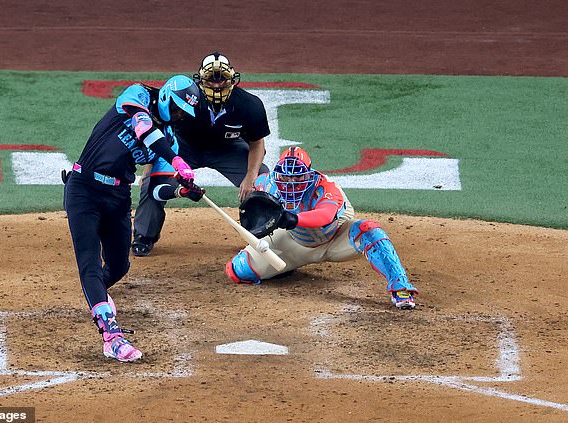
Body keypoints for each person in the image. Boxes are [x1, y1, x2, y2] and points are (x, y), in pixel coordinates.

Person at [63, 75, 205, 362]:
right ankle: (111, 336)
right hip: (84, 190)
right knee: (89, 263)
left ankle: (98, 298)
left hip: (117, 197)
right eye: (176, 109)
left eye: (182, 114)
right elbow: (144, 127)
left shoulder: (170, 142)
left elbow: (158, 191)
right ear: (165, 97)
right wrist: (176, 160)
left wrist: (182, 190)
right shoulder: (138, 95)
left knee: (119, 265)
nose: (178, 116)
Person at [226, 146, 419, 310]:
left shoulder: (325, 187)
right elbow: (251, 204)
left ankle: (400, 287)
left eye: (297, 178)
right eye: (286, 179)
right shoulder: (267, 183)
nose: (291, 183)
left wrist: (291, 219)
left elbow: (325, 215)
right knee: (238, 270)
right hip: (293, 242)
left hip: (335, 239)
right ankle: (285, 268)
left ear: (309, 174)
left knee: (370, 230)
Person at [132, 52, 270, 257]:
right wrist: (150, 167)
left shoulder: (250, 105)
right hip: (184, 148)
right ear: (201, 81)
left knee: (262, 179)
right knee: (152, 181)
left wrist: (250, 177)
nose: (216, 85)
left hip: (227, 149)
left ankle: (259, 235)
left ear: (232, 79)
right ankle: (144, 236)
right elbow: (162, 132)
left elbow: (257, 143)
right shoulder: (186, 99)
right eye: (211, 80)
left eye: (221, 79)